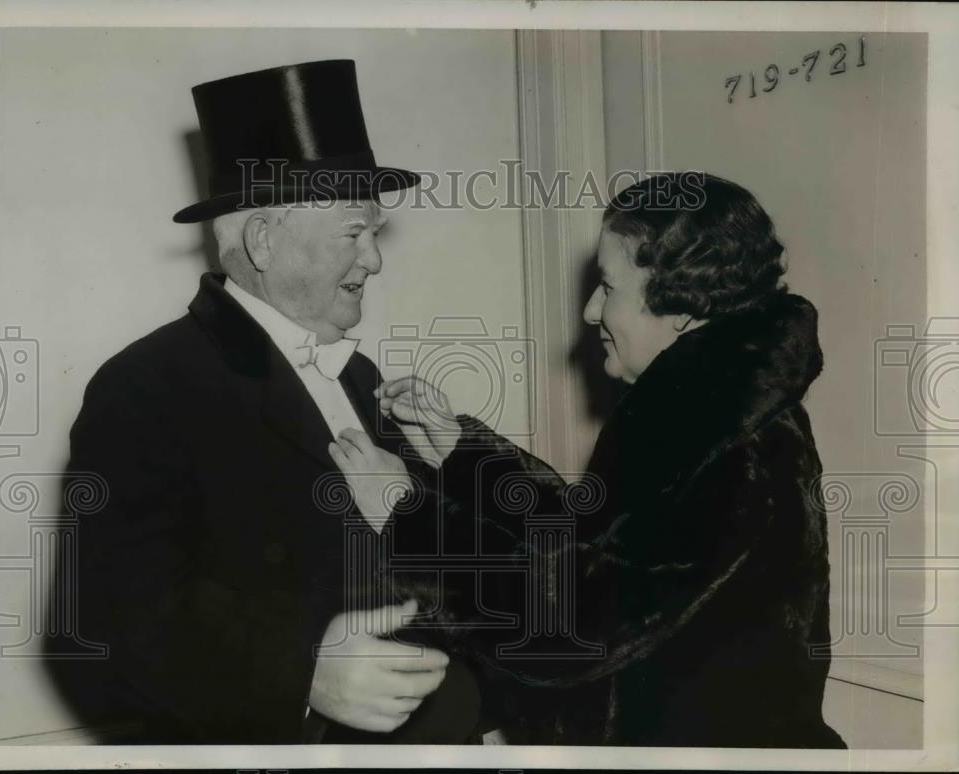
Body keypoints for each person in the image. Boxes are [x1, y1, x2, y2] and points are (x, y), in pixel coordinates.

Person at [51, 60, 480, 744]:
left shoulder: (361, 375)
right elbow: (111, 616)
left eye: (375, 234)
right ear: (262, 240)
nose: (375, 260)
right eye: (354, 233)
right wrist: (302, 673)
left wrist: (482, 715)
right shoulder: (145, 385)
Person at [366, 173, 848, 748]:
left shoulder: (721, 437)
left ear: (681, 305)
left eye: (609, 286)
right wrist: (461, 453)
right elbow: (595, 543)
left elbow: (571, 630)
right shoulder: (707, 414)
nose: (592, 310)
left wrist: (410, 520)